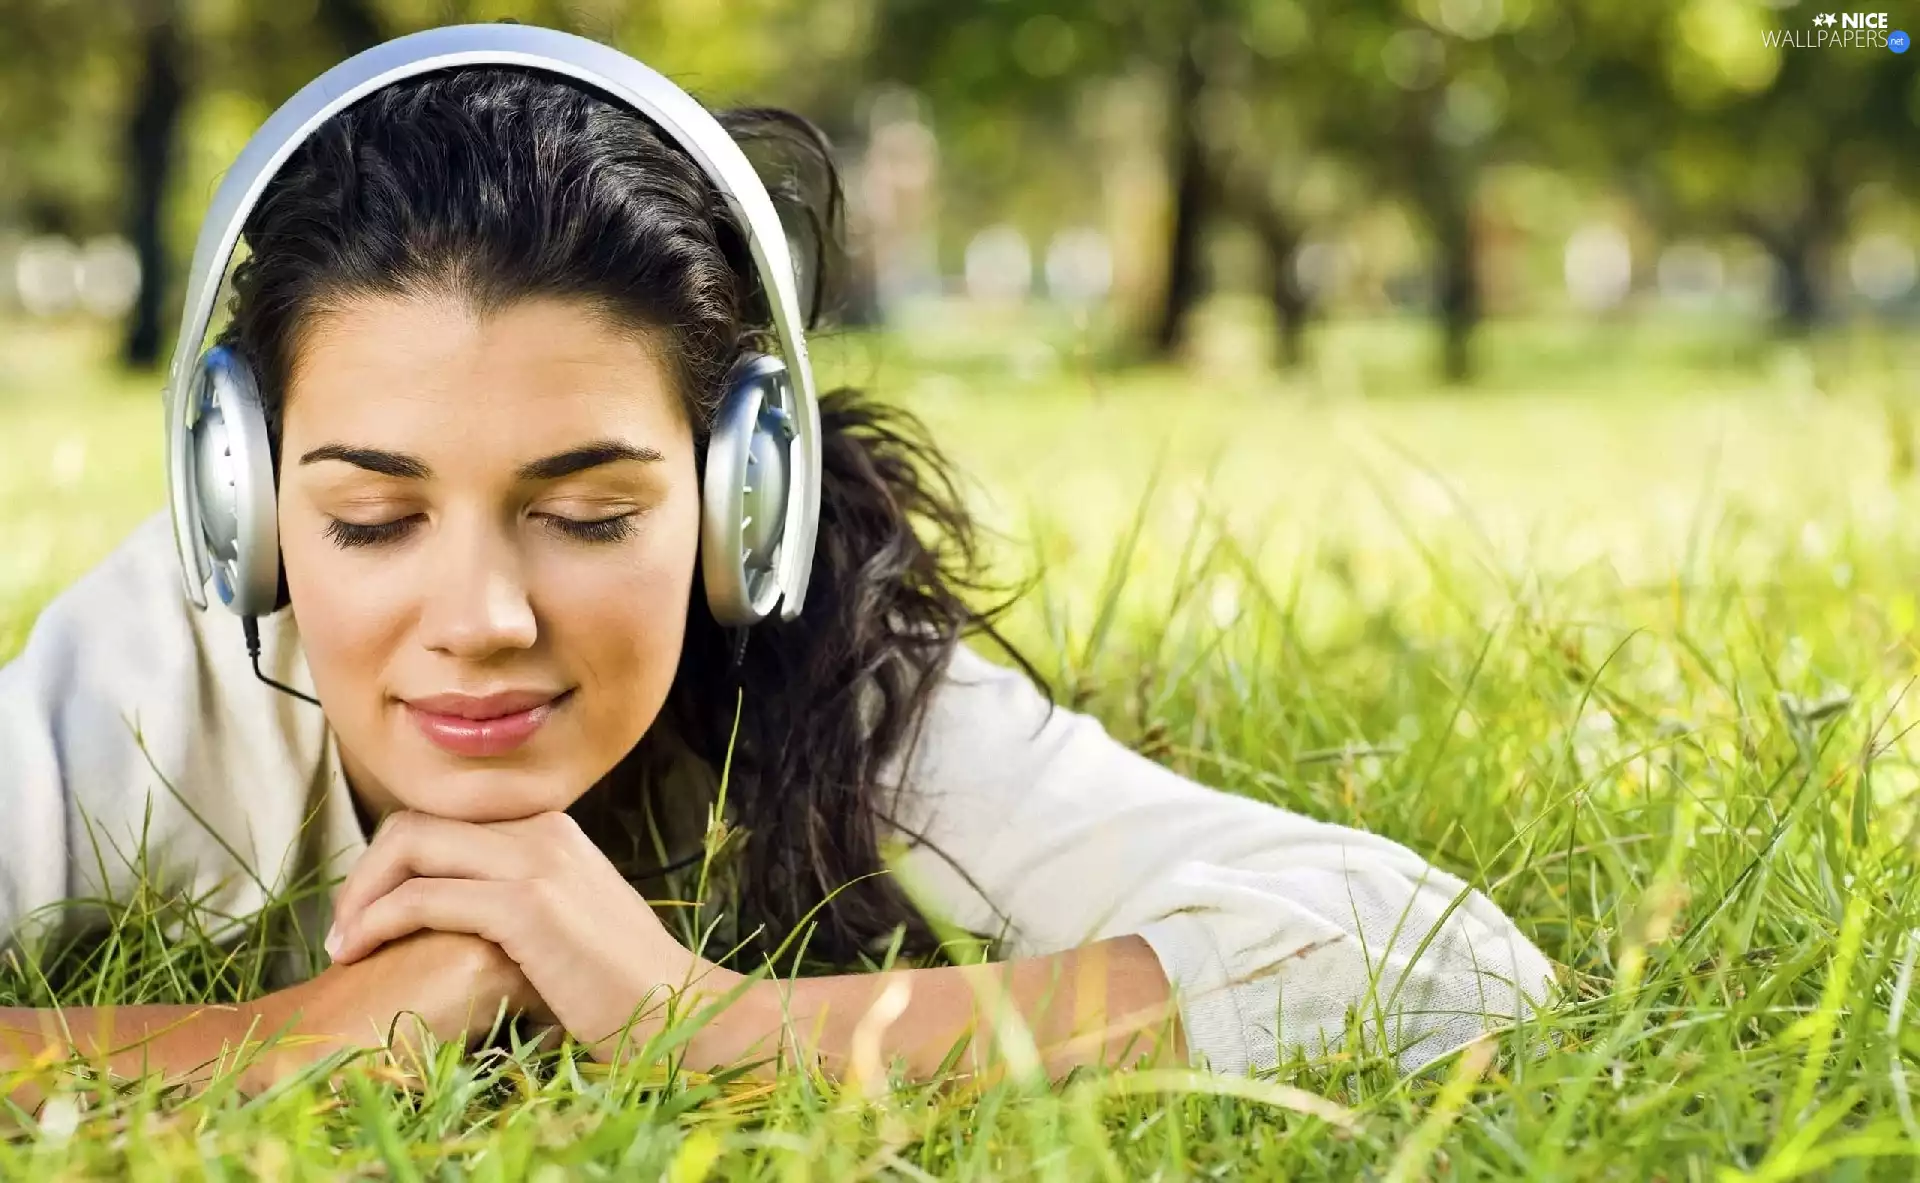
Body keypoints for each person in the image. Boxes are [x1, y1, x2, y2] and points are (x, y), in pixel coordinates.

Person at [0, 27, 1554, 1106]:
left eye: (592, 513)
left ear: (743, 497)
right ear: (244, 506)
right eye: (371, 521)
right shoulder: (145, 679)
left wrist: (720, 1021)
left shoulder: (829, 674)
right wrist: (299, 1036)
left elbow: (1443, 963)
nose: (479, 619)